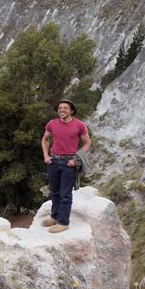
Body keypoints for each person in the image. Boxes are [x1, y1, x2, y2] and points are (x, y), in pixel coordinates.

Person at [40, 99, 91, 233]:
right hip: (53, 162)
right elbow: (45, 139)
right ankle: (55, 217)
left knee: (65, 194)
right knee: (55, 192)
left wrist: (76, 159)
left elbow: (87, 143)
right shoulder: (52, 124)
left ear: (71, 111)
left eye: (65, 108)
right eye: (60, 108)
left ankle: (63, 222)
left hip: (69, 163)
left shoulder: (79, 125)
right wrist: (46, 155)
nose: (62, 110)